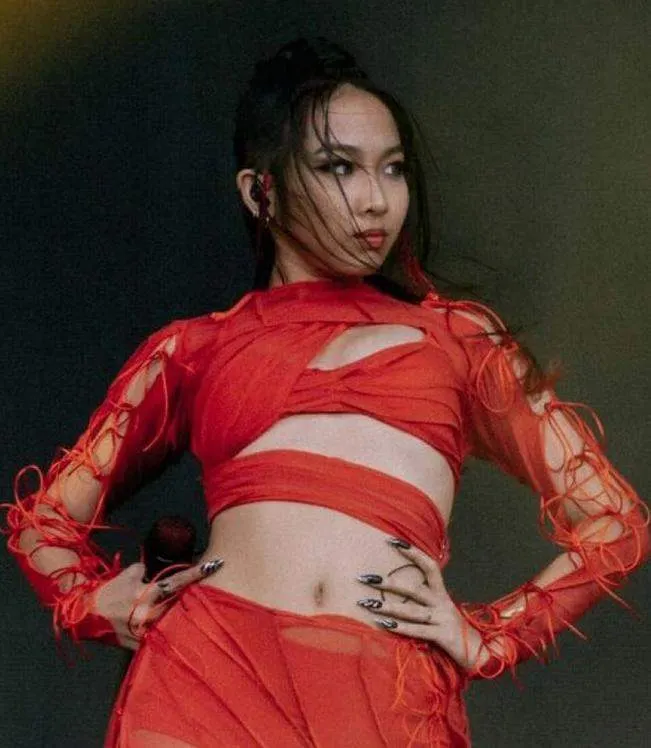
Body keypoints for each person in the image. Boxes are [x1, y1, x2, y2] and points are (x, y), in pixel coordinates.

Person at [4, 37, 648, 748]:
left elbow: (614, 521)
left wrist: (491, 636)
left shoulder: (458, 342)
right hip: (204, 682)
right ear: (259, 192)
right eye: (338, 167)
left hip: (383, 696)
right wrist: (94, 604)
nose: (376, 200)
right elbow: (44, 520)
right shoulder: (195, 349)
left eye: (393, 169)